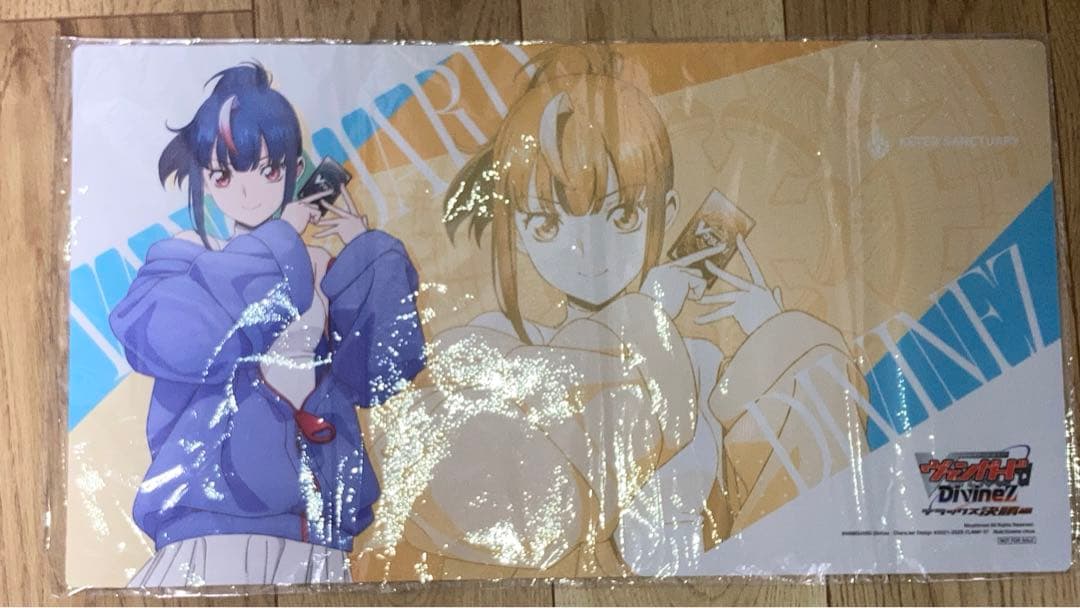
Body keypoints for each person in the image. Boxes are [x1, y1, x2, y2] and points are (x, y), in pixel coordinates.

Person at [109, 63, 426, 587]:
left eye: (269, 171)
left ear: (295, 169)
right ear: (204, 179)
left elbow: (378, 376)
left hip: (313, 530)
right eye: (225, 175)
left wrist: (366, 255)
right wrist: (282, 240)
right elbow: (177, 342)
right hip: (215, 521)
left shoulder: (316, 266)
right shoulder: (186, 258)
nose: (249, 192)